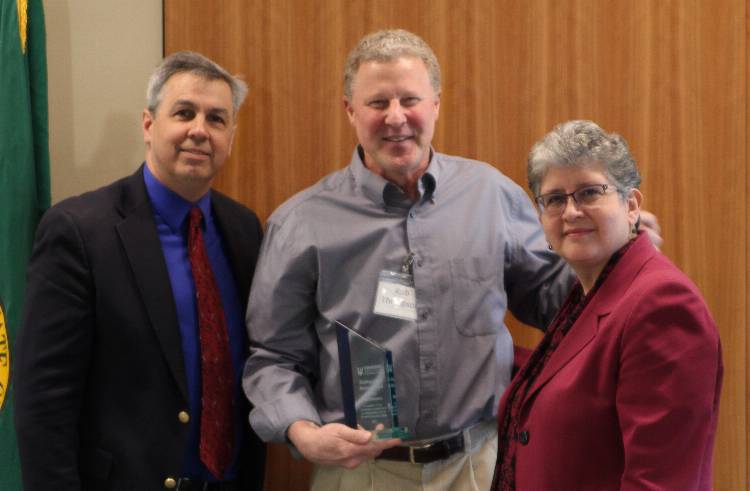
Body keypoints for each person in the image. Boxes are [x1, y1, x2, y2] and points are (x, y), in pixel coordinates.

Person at [243, 29, 650, 490]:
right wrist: (304, 433)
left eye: (410, 100)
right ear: (350, 110)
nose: (396, 118)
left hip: (480, 465)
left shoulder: (491, 195)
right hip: (361, 473)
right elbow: (274, 358)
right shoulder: (300, 223)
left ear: (435, 103)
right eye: (378, 103)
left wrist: (613, 246)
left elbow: (557, 302)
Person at [14, 51, 266, 490]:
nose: (199, 131)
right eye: (184, 113)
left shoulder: (244, 230)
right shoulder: (79, 232)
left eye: (217, 119)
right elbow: (43, 404)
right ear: (149, 125)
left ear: (232, 135)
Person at [492, 120, 722, 490]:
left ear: (631, 205)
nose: (570, 212)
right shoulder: (589, 293)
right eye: (554, 199)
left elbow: (658, 483)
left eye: (589, 192)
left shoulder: (662, 306)